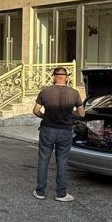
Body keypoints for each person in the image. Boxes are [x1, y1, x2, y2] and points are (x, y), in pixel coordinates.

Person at [32, 66, 85, 202]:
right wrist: (71, 116)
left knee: (43, 160)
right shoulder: (74, 93)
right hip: (65, 131)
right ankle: (61, 194)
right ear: (66, 78)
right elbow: (82, 114)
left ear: (53, 77)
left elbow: (36, 110)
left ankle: (40, 192)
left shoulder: (45, 91)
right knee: (62, 161)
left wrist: (44, 116)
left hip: (47, 129)